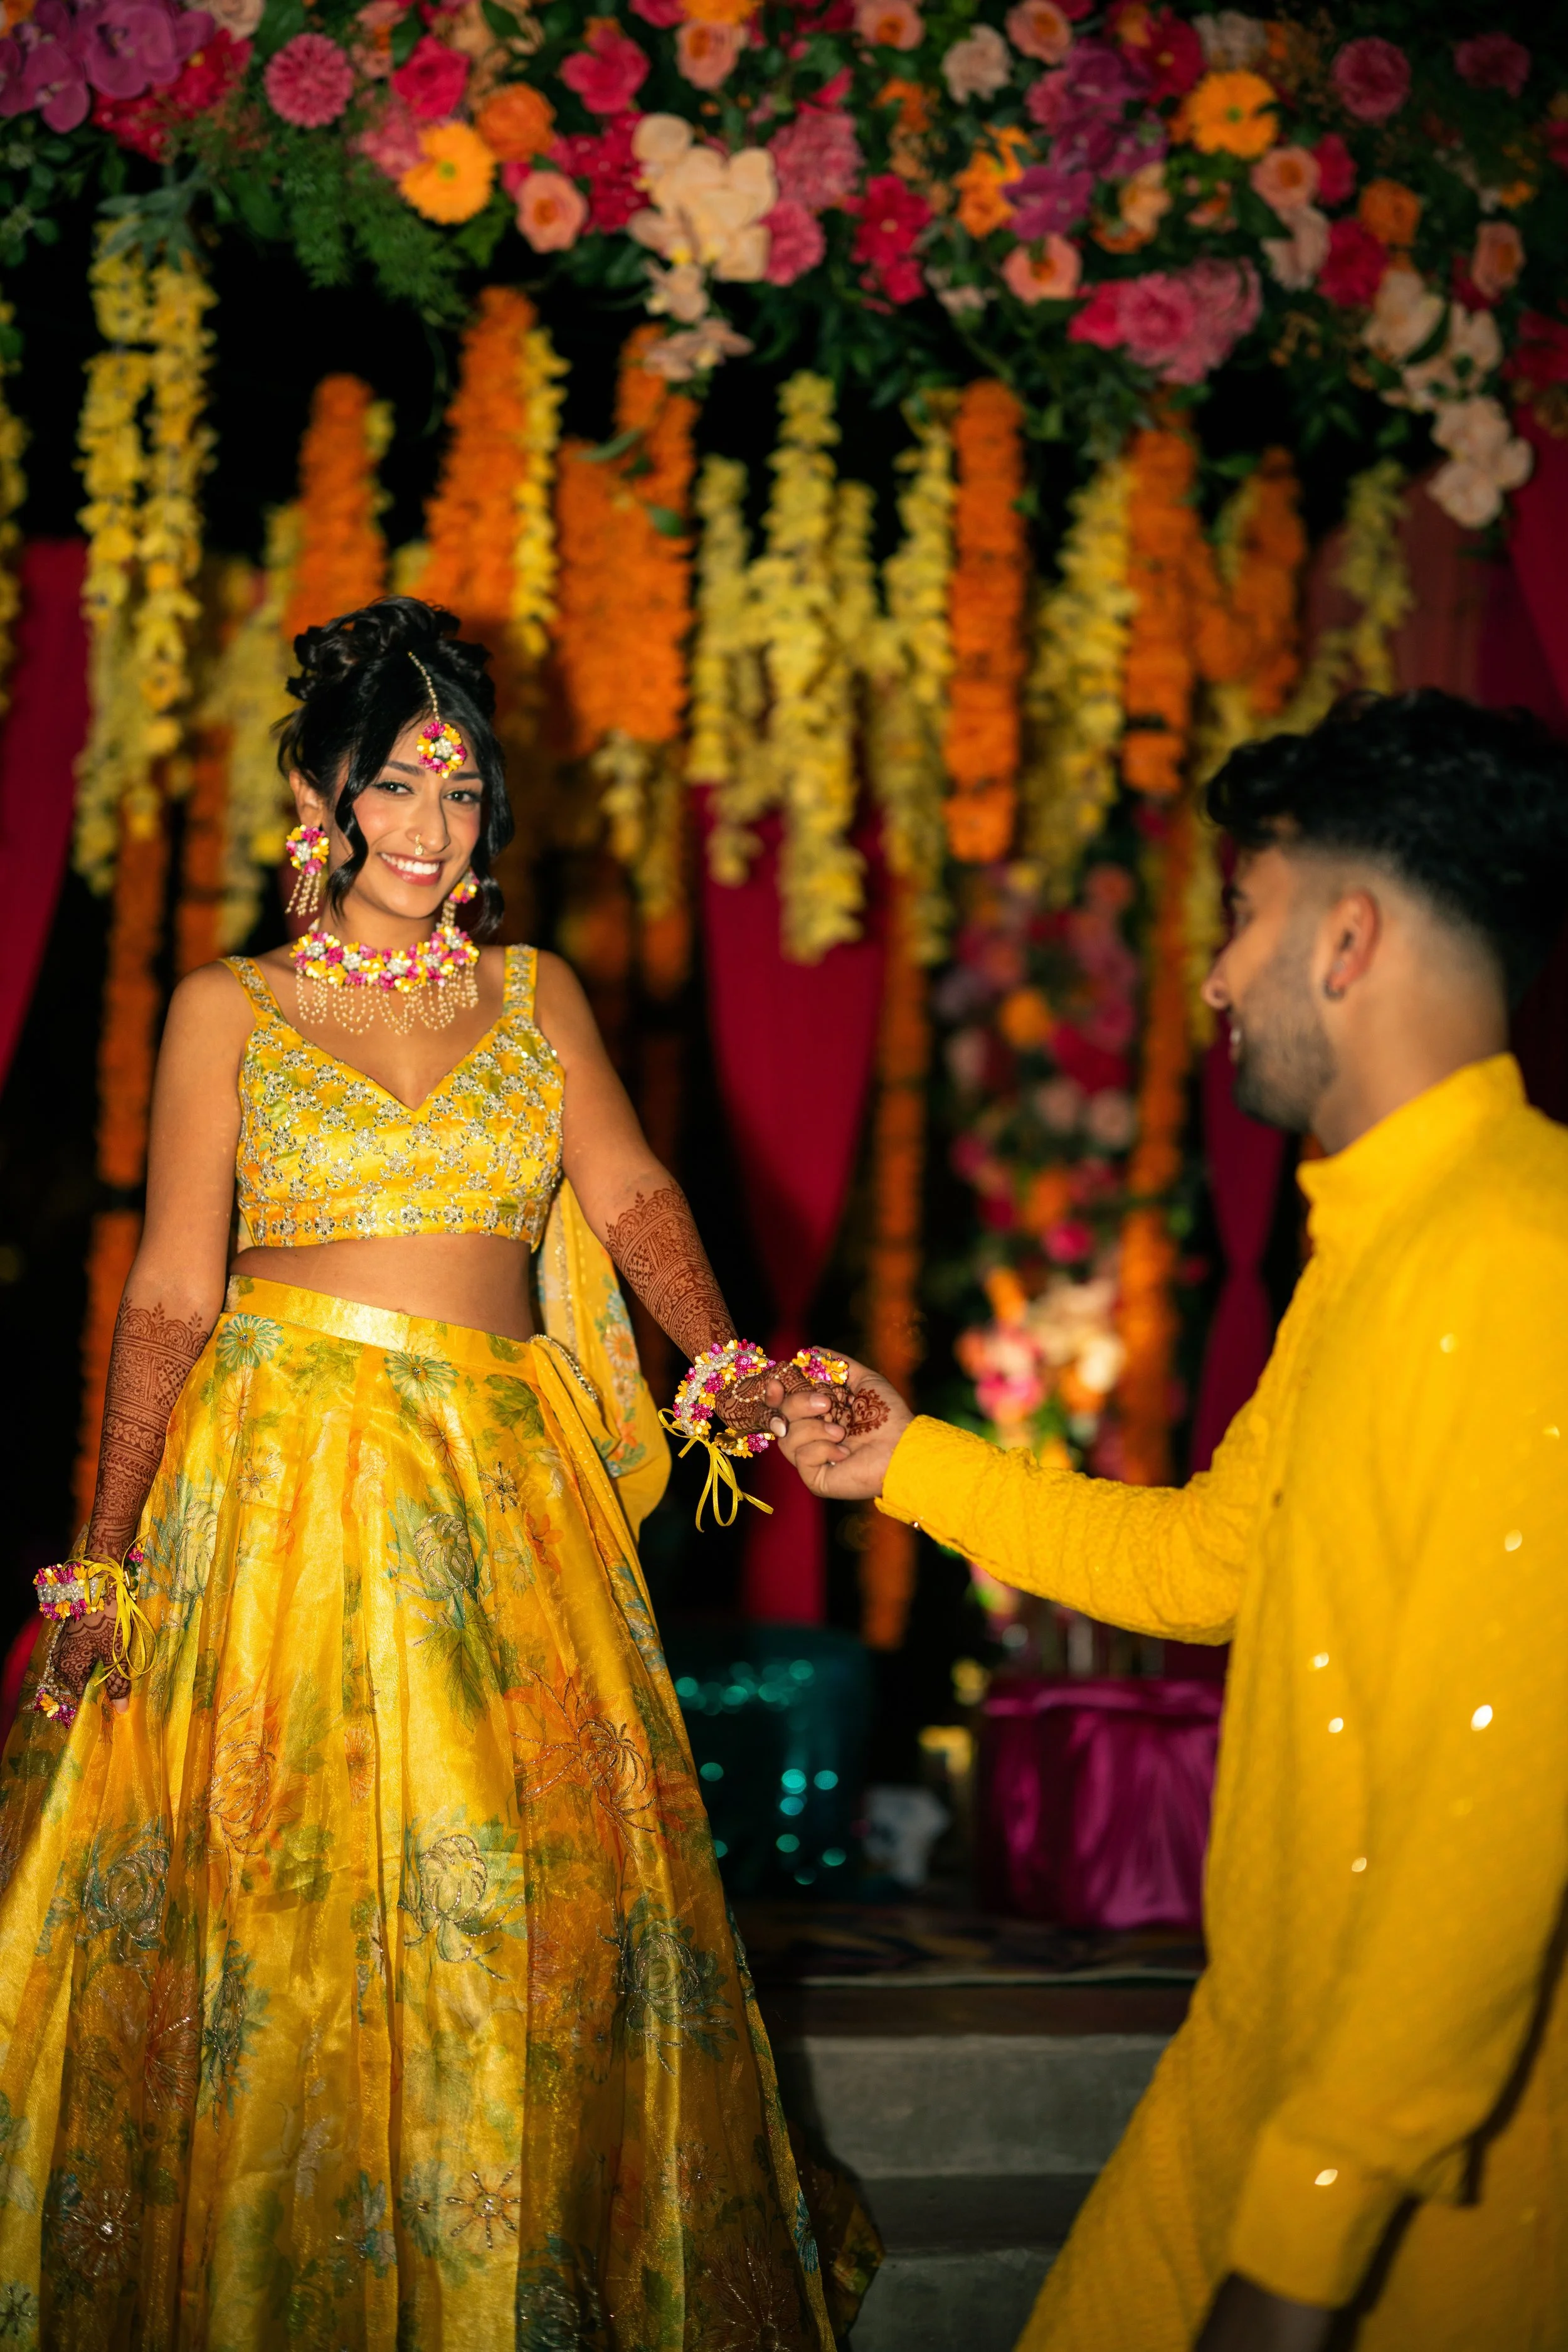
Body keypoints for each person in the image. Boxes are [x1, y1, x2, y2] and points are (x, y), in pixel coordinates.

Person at [0, 599, 839, 2349]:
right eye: (394, 785)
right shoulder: (225, 1008)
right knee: (280, 1907)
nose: (429, 830)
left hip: (498, 1486)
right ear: (317, 792)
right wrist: (100, 1554)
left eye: (461, 797)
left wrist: (724, 1354)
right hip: (284, 1485)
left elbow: (628, 1196)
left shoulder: (537, 994)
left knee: (502, 1897)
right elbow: (166, 1286)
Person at [771, 691, 1568, 2352]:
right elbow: (1212, 1561)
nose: (1212, 975)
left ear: (1344, 938)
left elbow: (1488, 1819)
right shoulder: (1374, 1247)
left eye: (1237, 916)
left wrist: (1300, 2247)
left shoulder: (1512, 1255)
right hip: (1255, 2070)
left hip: (1402, 2184)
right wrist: (904, 1460)